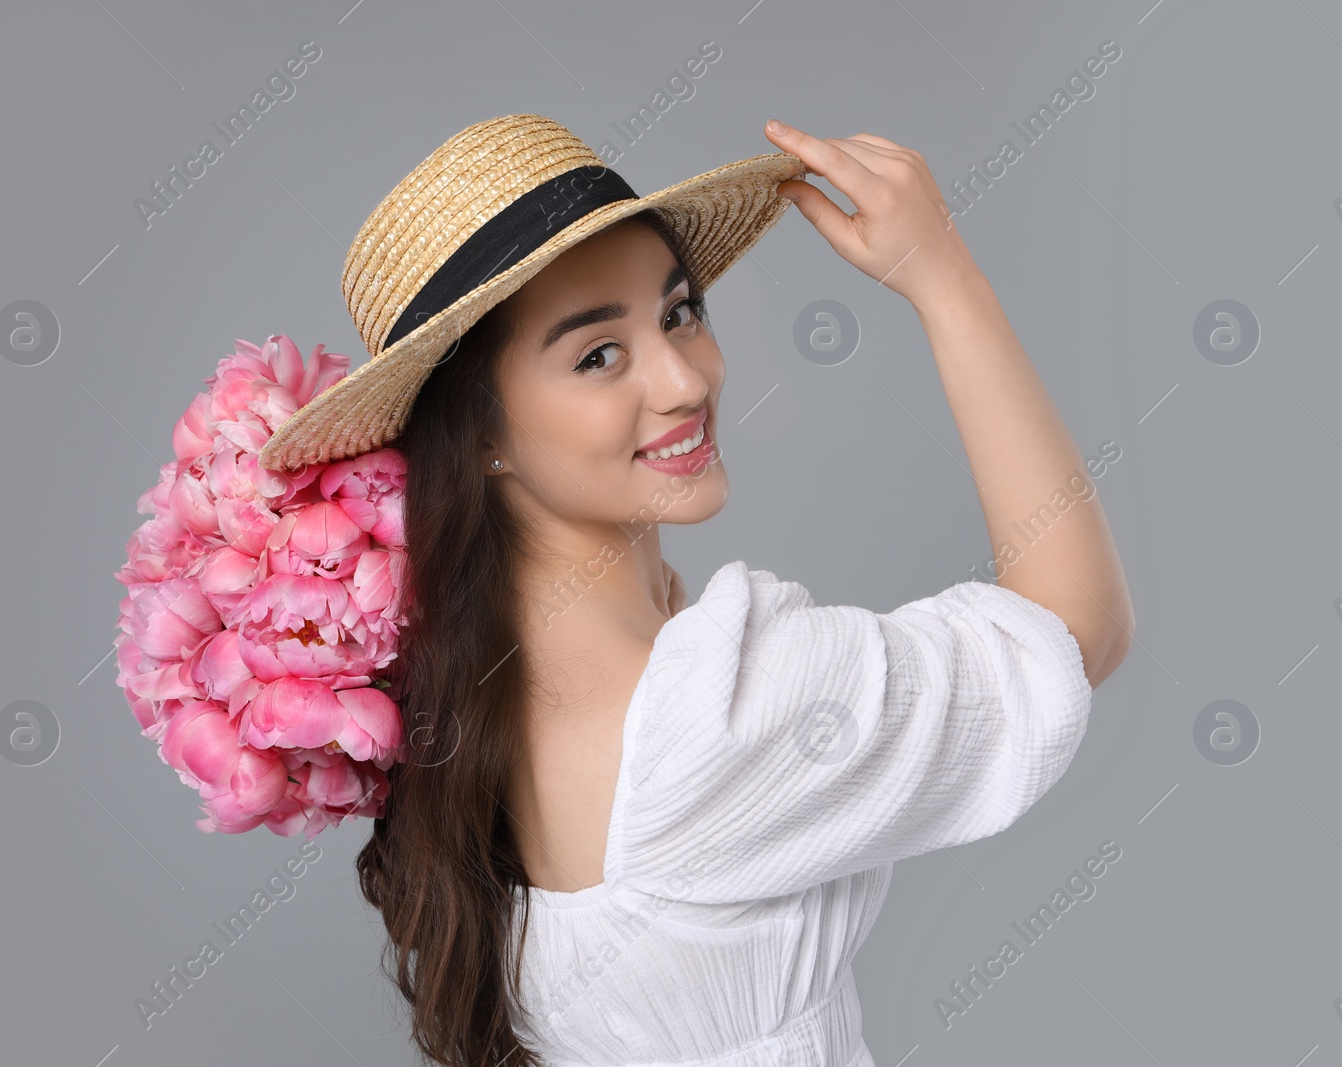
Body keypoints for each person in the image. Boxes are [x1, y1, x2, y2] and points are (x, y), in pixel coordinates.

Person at [257, 114, 1132, 1067]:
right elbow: (1076, 624)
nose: (684, 379)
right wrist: (948, 279)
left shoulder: (469, 715)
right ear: (482, 435)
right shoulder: (709, 719)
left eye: (679, 312)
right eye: (597, 355)